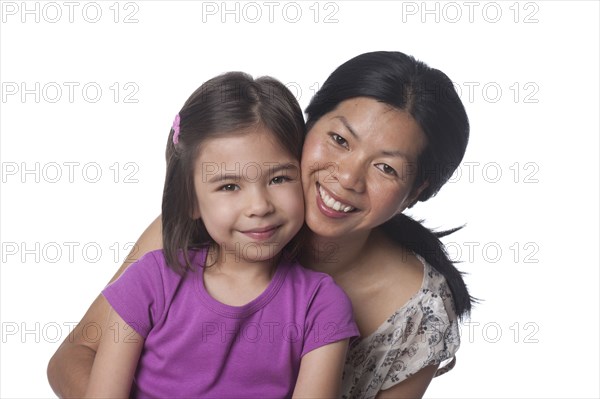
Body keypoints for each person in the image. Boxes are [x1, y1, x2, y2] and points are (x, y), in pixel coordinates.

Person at [48, 51, 474, 398]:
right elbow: (73, 357)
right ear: (307, 127)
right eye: (339, 140)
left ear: (417, 190)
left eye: (385, 168)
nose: (347, 178)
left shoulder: (417, 316)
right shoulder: (204, 227)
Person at [81, 72, 359, 398]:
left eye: (279, 178)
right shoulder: (148, 282)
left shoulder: (321, 306)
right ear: (190, 201)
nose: (259, 206)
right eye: (229, 186)